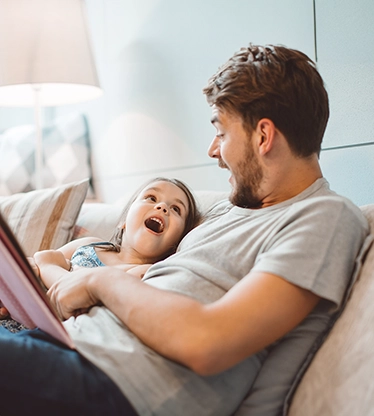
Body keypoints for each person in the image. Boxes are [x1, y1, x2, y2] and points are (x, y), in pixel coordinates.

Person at [0, 44, 370, 416]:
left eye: (222, 134)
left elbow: (207, 342)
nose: (213, 151)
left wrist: (99, 282)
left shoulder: (324, 217)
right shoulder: (231, 210)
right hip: (69, 347)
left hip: (115, 384)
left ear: (263, 137)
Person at [0, 176, 201, 331]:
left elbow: (78, 302)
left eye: (176, 209)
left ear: (176, 243)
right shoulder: (91, 244)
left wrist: (48, 267)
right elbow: (33, 264)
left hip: (41, 334)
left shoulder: (142, 273)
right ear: (123, 221)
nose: (162, 207)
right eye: (151, 197)